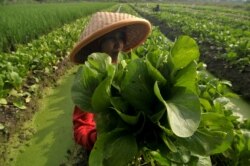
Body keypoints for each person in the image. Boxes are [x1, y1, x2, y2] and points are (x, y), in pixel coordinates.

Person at [69, 12, 152, 151]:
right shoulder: (91, 78)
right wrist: (96, 138)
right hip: (105, 147)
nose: (118, 43)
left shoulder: (129, 69)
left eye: (121, 37)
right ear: (99, 43)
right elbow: (80, 129)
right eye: (111, 38)